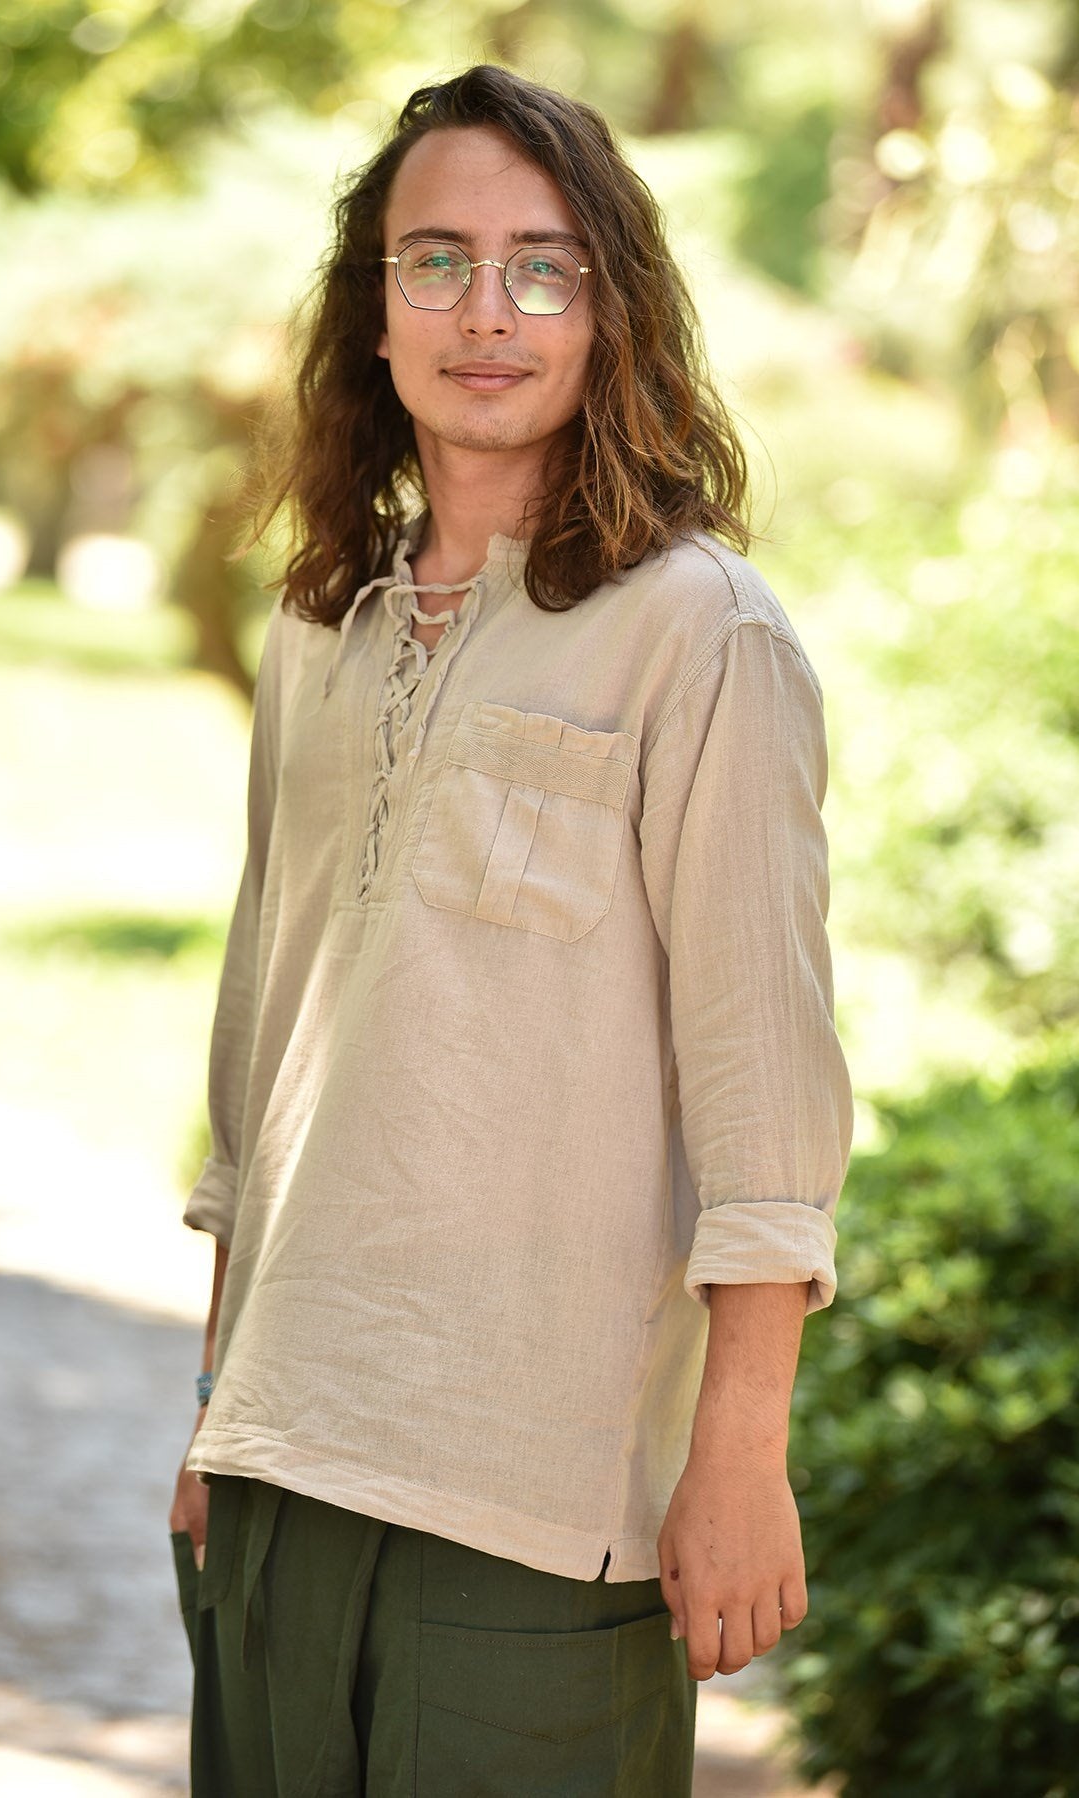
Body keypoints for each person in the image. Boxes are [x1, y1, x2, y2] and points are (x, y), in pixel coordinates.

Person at [168, 61, 852, 1798]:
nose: (490, 311)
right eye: (438, 260)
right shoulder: (320, 628)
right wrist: (217, 1408)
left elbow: (765, 1091)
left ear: (612, 311)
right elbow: (263, 1050)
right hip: (275, 1478)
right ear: (371, 310)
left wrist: (742, 1454)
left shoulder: (700, 636)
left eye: (545, 266)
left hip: (536, 1512)